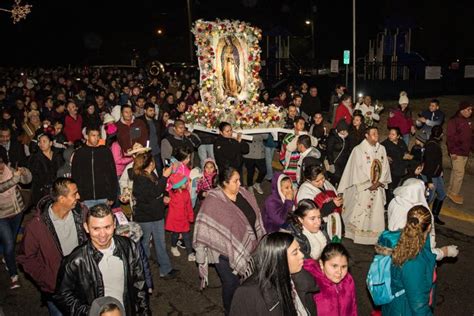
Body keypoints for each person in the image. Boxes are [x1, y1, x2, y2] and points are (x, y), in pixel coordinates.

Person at [193, 166, 266, 315]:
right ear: (224, 183)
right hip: (223, 254)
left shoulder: (244, 194)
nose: (240, 183)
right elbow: (202, 227)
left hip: (248, 247)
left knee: (247, 282)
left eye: (239, 180)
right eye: (236, 181)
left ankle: (243, 306)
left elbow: (256, 216)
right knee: (231, 284)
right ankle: (230, 310)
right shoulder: (213, 203)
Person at [54, 204, 150, 316]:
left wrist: (144, 313)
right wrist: (93, 312)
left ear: (114, 224)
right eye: (96, 229)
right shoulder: (76, 260)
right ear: (86, 227)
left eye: (107, 227)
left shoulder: (128, 246)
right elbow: (62, 295)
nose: (102, 235)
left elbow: (139, 284)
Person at [18, 178, 88, 316]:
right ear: (62, 199)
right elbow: (26, 258)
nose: (79, 197)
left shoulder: (82, 213)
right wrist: (48, 280)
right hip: (55, 290)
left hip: (82, 283)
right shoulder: (36, 226)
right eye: (75, 194)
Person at [230, 232, 318, 316]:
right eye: (295, 253)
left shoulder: (300, 277)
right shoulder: (248, 293)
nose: (302, 255)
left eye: (299, 249)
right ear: (278, 259)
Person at [338, 126, 391, 245]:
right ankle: (357, 235)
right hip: (363, 188)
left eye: (377, 133)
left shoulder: (382, 149)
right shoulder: (359, 150)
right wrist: (368, 184)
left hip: (377, 187)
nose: (376, 135)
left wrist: (379, 181)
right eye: (373, 133)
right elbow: (356, 169)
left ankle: (374, 236)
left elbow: (385, 167)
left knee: (376, 211)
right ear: (366, 136)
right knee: (360, 210)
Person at [380, 205, 437, 315]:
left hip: (392, 305)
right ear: (429, 227)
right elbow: (418, 306)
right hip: (404, 309)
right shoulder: (414, 262)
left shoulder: (400, 240)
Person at [387, 179, 459, 262]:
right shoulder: (418, 214)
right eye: (424, 191)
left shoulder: (395, 202)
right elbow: (421, 253)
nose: (427, 194)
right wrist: (444, 252)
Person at [132, 151, 178, 279]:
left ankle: (165, 269)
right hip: (145, 217)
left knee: (160, 243)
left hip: (157, 214)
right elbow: (153, 193)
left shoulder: (150, 174)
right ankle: (142, 271)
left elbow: (158, 190)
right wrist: (165, 177)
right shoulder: (140, 179)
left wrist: (164, 196)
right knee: (145, 244)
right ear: (149, 164)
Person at [0, 146, 32, 289]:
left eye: (1, 162)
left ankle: (7, 257)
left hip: (17, 212)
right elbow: (3, 187)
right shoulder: (11, 176)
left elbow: (26, 180)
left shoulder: (10, 169)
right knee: (9, 244)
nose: (0, 166)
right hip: (2, 216)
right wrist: (15, 179)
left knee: (11, 242)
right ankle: (14, 275)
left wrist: (25, 173)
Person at [303, 243, 357, 315]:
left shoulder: (348, 281)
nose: (339, 272)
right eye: (334, 266)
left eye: (344, 266)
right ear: (322, 264)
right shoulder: (313, 284)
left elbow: (353, 308)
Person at [71, 126, 117, 209]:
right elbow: (75, 176)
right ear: (86, 136)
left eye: (98, 135)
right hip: (86, 198)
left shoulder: (105, 151)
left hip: (104, 197)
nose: (96, 138)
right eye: (93, 135)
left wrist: (112, 196)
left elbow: (112, 174)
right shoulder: (79, 153)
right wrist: (79, 196)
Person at [446, 101, 472, 205]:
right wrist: (452, 151)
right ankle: (454, 193)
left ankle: (450, 191)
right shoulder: (454, 121)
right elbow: (450, 138)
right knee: (460, 173)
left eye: (471, 110)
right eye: (468, 109)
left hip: (465, 151)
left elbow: (470, 136)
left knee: (456, 172)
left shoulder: (468, 121)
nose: (470, 111)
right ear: (462, 110)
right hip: (457, 152)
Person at [166, 173, 195, 261]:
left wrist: (191, 216)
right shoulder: (170, 194)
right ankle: (173, 247)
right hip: (175, 220)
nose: (186, 183)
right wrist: (165, 200)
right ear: (178, 185)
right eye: (184, 182)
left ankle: (190, 253)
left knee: (187, 236)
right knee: (175, 235)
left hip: (184, 219)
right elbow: (164, 201)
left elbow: (189, 206)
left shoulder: (186, 193)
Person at [29, 132, 64, 204]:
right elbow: (35, 176)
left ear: (51, 143)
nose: (41, 144)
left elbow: (61, 171)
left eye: (44, 141)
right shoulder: (35, 158)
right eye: (40, 142)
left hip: (57, 189)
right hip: (42, 192)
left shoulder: (57, 155)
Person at [422, 125, 446, 224]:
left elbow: (437, 161)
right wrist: (429, 181)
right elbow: (428, 164)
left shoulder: (434, 143)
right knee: (429, 199)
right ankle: (422, 218)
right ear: (441, 134)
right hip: (430, 175)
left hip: (436, 174)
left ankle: (435, 216)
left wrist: (440, 169)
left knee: (442, 194)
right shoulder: (432, 145)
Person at [381, 127, 411, 205]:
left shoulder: (401, 142)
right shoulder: (385, 144)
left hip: (400, 169)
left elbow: (405, 152)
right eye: (390, 134)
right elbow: (379, 152)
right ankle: (388, 205)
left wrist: (407, 156)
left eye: (393, 134)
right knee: (390, 189)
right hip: (391, 170)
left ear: (398, 136)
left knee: (397, 188)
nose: (390, 136)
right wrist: (385, 156)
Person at [280, 116, 306, 185]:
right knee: (289, 185)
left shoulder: (304, 136)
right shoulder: (289, 136)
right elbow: (288, 148)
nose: (302, 126)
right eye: (300, 124)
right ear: (295, 124)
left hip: (299, 166)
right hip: (290, 166)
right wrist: (297, 136)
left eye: (303, 124)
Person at [326, 119, 350, 186]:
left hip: (343, 163)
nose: (344, 132)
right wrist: (331, 163)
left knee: (341, 180)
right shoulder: (333, 137)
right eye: (342, 130)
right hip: (335, 162)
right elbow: (329, 151)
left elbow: (347, 150)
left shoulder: (346, 138)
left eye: (345, 130)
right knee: (334, 179)